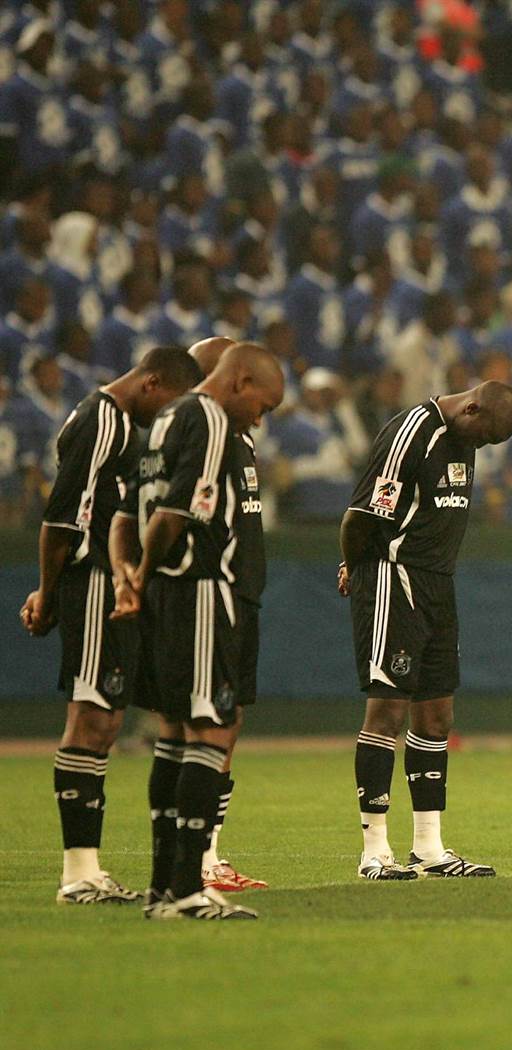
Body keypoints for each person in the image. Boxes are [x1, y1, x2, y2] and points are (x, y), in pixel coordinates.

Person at [19, 345, 200, 904]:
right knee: (92, 718)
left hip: (112, 580)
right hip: (93, 579)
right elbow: (60, 518)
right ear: (151, 383)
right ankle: (77, 874)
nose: (168, 416)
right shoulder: (103, 420)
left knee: (107, 719)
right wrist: (49, 594)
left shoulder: (122, 422)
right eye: (170, 401)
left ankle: (89, 872)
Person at [115, 343, 285, 920]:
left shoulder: (162, 419)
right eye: (262, 406)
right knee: (212, 730)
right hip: (201, 587)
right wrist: (142, 570)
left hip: (163, 595)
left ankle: (165, 886)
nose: (259, 420)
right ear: (239, 382)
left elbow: (126, 512)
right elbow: (177, 512)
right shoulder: (210, 418)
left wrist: (133, 577)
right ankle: (188, 888)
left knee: (177, 733)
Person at [337, 379, 512, 881]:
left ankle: (429, 848)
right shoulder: (411, 432)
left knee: (437, 715)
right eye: (485, 435)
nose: (481, 446)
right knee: (387, 709)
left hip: (440, 584)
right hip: (395, 579)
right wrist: (353, 565)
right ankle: (374, 850)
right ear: (472, 407)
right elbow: (360, 514)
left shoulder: (465, 436)